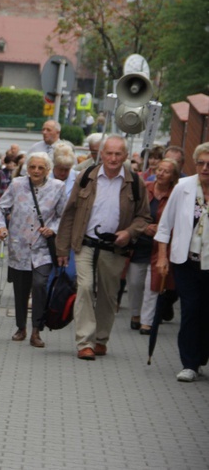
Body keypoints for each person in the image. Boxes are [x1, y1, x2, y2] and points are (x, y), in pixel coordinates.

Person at [56, 135, 150, 360]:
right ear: (102, 154)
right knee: (86, 287)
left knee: (108, 295)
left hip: (114, 248)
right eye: (109, 153)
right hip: (85, 244)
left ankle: (100, 339)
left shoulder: (135, 183)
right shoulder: (87, 177)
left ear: (125, 156)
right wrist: (62, 248)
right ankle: (84, 342)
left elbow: (144, 217)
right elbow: (69, 213)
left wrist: (128, 233)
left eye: (118, 154)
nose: (113, 158)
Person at [0, 153, 67, 347]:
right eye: (32, 167)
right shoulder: (17, 185)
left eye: (41, 168)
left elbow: (64, 216)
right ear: (27, 168)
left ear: (48, 170)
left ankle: (36, 330)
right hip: (19, 246)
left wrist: (53, 228)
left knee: (40, 284)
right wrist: (0, 227)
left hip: (42, 247)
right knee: (20, 289)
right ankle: (21, 327)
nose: (36, 171)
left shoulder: (58, 187)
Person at [155, 143, 209, 382]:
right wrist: (162, 257)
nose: (206, 168)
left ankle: (201, 355)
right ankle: (189, 363)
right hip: (186, 261)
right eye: (201, 163)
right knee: (190, 310)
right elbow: (165, 225)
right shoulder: (184, 187)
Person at [133, 158, 180, 334]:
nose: (160, 173)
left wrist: (162, 229)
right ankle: (136, 315)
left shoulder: (176, 194)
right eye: (159, 169)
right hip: (140, 242)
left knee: (153, 283)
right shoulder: (145, 188)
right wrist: (144, 227)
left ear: (173, 176)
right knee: (136, 282)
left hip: (162, 244)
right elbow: (133, 212)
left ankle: (147, 322)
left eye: (166, 171)